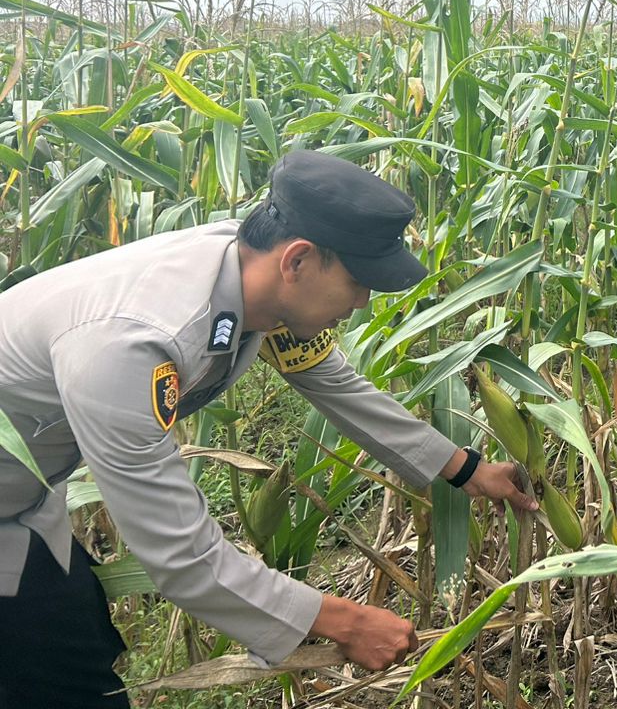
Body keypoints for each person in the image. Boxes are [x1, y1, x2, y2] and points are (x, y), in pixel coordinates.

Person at [0, 150, 536, 708]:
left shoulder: (248, 275)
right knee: (65, 679)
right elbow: (182, 556)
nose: (361, 303)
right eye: (358, 282)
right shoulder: (129, 347)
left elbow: (329, 379)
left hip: (19, 506)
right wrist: (345, 622)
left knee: (67, 646)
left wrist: (465, 469)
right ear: (298, 260)